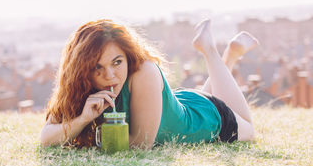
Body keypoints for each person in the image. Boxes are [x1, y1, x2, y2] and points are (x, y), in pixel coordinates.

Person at [40, 19, 259, 149]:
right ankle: (229, 56)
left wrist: (89, 140)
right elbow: (46, 137)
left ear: (127, 55)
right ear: (81, 69)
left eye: (117, 62)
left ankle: (214, 51)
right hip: (175, 106)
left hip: (207, 118)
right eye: (97, 67)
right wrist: (83, 119)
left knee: (249, 128)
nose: (110, 75)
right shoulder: (78, 86)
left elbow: (140, 145)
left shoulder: (144, 71)